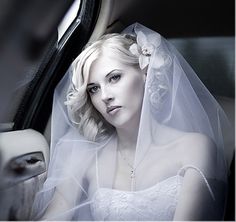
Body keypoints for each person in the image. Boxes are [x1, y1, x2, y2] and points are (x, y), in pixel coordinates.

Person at [31, 23, 232, 220]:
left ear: (145, 72)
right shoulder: (85, 156)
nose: (105, 96)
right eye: (94, 88)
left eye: (114, 78)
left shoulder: (195, 147)